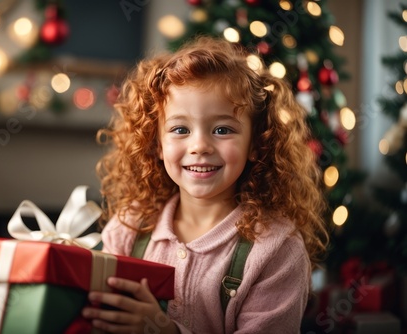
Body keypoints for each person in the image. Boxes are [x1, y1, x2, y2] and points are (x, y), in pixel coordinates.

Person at [81, 36, 329, 333]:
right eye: (180, 129)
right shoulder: (128, 229)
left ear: (256, 143)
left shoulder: (277, 250)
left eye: (222, 129)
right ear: (157, 144)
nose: (199, 145)